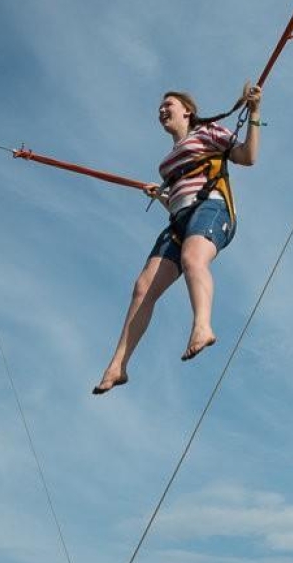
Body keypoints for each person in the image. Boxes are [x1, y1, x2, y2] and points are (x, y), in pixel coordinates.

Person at [93, 82, 263, 391]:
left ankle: (202, 326)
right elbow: (178, 199)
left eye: (168, 104)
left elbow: (248, 157)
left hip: (211, 208)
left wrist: (254, 112)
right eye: (160, 108)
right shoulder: (167, 162)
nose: (161, 110)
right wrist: (161, 196)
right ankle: (118, 364)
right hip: (178, 219)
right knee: (142, 287)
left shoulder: (209, 132)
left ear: (187, 111)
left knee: (192, 258)